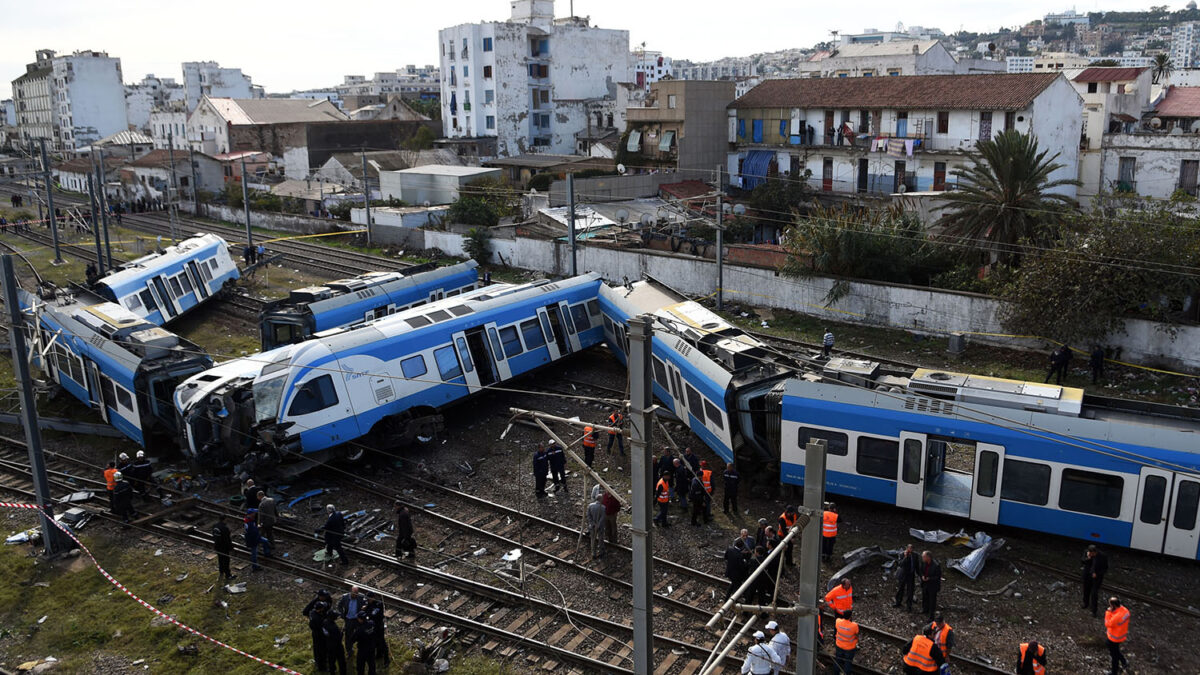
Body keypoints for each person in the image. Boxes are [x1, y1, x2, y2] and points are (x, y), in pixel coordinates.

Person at [1105, 596, 1131, 674]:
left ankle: (1114, 672)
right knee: (1115, 650)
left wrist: (1108, 612)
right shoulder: (1125, 611)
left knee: (1114, 656)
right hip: (1121, 635)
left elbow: (1107, 623)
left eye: (1110, 605)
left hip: (1114, 638)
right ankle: (1124, 662)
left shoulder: (1116, 617)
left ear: (1113, 606)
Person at [339, 586, 366, 659]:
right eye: (354, 594)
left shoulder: (361, 597)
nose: (355, 595)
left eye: (356, 594)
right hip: (349, 619)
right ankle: (349, 651)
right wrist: (342, 614)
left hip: (357, 619)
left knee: (361, 635)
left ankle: (362, 650)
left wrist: (364, 607)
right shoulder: (345, 597)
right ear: (350, 592)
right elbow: (339, 605)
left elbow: (366, 604)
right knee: (348, 636)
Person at [1082, 544, 1108, 616]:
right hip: (1087, 576)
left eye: (1091, 553)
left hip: (1097, 578)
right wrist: (1088, 558)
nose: (1090, 554)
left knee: (1094, 594)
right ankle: (1085, 603)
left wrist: (1097, 574)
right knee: (1086, 590)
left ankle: (1094, 610)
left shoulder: (1102, 556)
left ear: (1095, 552)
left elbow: (1105, 568)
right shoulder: (1087, 553)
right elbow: (1083, 561)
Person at [366, 592, 389, 667]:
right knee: (375, 642)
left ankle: (386, 660)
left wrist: (367, 610)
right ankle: (379, 654)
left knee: (382, 643)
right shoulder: (368, 604)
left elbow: (373, 614)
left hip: (379, 627)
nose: (368, 600)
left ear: (373, 597)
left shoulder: (378, 604)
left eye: (369, 598)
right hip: (373, 627)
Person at [306, 600, 330, 673]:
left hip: (315, 634)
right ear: (320, 609)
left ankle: (317, 661)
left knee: (316, 649)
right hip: (320, 636)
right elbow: (322, 627)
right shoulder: (318, 618)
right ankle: (322, 668)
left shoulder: (313, 613)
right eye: (322, 608)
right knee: (321, 651)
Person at [323, 608, 348, 675]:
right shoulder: (333, 627)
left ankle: (332, 672)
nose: (337, 617)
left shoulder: (325, 622)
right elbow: (339, 638)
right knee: (341, 661)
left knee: (331, 661)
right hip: (337, 646)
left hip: (328, 644)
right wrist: (342, 631)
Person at [834, 610, 860, 675]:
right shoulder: (854, 626)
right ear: (850, 617)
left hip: (839, 645)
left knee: (838, 660)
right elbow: (856, 635)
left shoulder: (838, 621)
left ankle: (836, 673)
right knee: (848, 662)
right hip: (849, 647)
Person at [893, 544, 917, 612]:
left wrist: (919, 574)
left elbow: (917, 565)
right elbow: (900, 564)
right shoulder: (902, 554)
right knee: (900, 589)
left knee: (910, 591)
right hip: (903, 574)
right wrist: (905, 557)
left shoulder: (915, 555)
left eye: (911, 549)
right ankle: (898, 602)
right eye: (909, 548)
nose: (910, 550)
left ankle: (909, 606)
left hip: (911, 575)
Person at [919, 551, 941, 621]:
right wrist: (922, 576)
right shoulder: (923, 563)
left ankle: (931, 616)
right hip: (925, 583)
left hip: (932, 585)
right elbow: (921, 570)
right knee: (925, 597)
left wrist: (929, 579)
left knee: (932, 601)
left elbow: (938, 577)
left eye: (923, 557)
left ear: (928, 557)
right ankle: (925, 609)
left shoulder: (936, 565)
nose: (922, 558)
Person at [212, 514, 235, 580]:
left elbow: (214, 536)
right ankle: (228, 575)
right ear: (224, 519)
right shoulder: (225, 528)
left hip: (217, 546)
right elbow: (227, 540)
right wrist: (231, 548)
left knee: (220, 560)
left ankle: (221, 572)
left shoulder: (215, 526)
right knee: (226, 561)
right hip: (224, 547)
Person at [256, 490, 277, 554]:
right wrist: (277, 516)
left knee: (261, 533)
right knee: (269, 533)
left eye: (257, 497)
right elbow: (275, 510)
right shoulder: (271, 500)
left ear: (260, 496)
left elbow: (261, 515)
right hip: (272, 520)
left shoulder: (261, 504)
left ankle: (256, 544)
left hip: (265, 523)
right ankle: (272, 545)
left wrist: (259, 523)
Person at [586, 493, 606, 559]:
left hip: (592, 526)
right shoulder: (603, 507)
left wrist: (592, 524)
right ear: (600, 499)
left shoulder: (590, 506)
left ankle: (593, 553)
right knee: (600, 539)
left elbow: (588, 516)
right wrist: (598, 525)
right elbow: (602, 518)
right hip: (600, 527)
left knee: (593, 539)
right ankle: (601, 552)